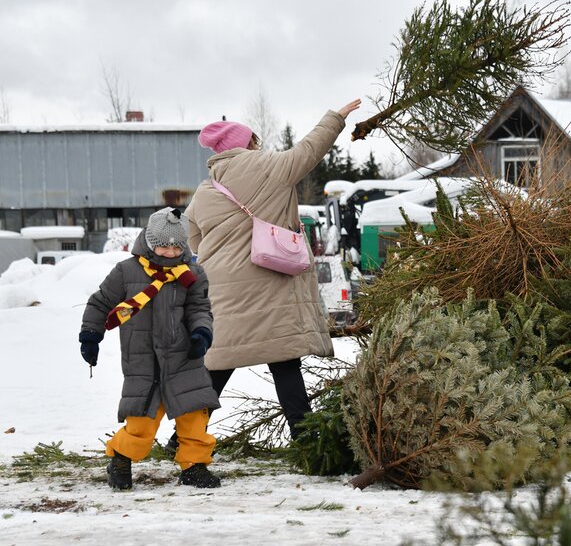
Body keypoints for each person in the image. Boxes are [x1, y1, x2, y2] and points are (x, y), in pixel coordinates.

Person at [180, 99, 361, 444]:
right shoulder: (271, 167)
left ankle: (182, 440)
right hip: (270, 284)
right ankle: (305, 441)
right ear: (246, 143)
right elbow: (310, 150)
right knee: (284, 363)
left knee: (218, 367)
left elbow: (193, 239)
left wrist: (224, 251)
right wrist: (336, 118)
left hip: (223, 291)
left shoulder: (205, 191)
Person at [79, 207, 221, 490]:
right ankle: (120, 458)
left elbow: (199, 309)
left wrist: (201, 333)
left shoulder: (192, 273)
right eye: (163, 246)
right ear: (149, 241)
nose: (170, 252)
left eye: (176, 247)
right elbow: (100, 303)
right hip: (142, 361)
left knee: (194, 416)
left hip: (184, 358)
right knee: (141, 422)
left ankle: (194, 466)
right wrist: (90, 335)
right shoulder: (126, 271)